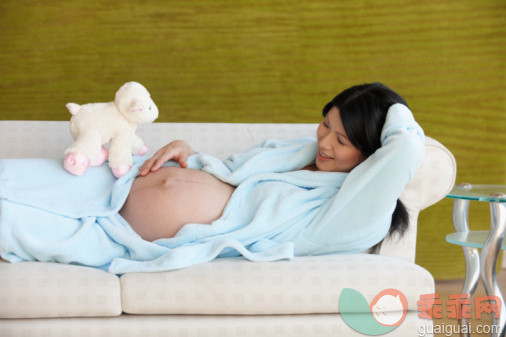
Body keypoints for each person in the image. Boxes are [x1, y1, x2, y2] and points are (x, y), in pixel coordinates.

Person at [0, 82, 425, 273]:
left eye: (344, 139)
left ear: (371, 154)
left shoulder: (354, 215)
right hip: (111, 182)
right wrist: (190, 151)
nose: (325, 142)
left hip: (114, 231)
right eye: (325, 125)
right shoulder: (298, 154)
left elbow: (405, 145)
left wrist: (382, 104)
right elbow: (230, 173)